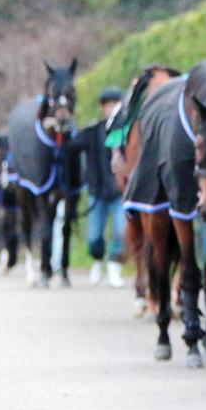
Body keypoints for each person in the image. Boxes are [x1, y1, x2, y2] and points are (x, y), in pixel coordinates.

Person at [69, 87, 127, 287]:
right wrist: (67, 128)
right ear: (102, 108)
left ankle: (114, 267)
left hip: (120, 192)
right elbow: (72, 145)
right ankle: (97, 260)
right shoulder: (92, 131)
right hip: (97, 192)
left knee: (121, 231)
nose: (111, 109)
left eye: (114, 105)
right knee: (94, 236)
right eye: (107, 105)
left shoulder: (126, 132)